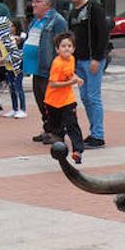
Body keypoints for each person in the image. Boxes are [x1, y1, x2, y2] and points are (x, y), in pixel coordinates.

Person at [66, 0, 111, 148]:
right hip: (78, 62)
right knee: (85, 97)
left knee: (93, 97)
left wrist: (97, 58)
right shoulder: (73, 12)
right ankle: (94, 132)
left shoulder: (94, 9)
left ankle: (98, 136)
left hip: (92, 61)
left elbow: (103, 33)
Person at [23, 0, 68, 145]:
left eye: (38, 1)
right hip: (36, 69)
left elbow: (63, 46)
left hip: (49, 70)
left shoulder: (57, 21)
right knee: (42, 102)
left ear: (48, 4)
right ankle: (48, 129)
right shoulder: (36, 20)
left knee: (52, 103)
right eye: (33, 1)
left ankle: (57, 133)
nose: (33, 4)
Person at [44, 31, 85, 163]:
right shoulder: (57, 63)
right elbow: (53, 84)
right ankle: (60, 151)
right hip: (53, 101)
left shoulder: (72, 59)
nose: (66, 48)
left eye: (69, 46)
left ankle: (77, 151)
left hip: (68, 100)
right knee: (56, 129)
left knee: (72, 124)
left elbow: (71, 73)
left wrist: (77, 78)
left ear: (73, 49)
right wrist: (71, 82)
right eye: (63, 46)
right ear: (57, 49)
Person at [0, 15, 27, 119]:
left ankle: (22, 109)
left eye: (12, 26)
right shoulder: (4, 39)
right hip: (9, 67)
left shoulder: (19, 39)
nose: (10, 28)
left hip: (18, 67)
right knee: (12, 88)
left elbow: (17, 54)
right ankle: (15, 108)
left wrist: (3, 60)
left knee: (18, 87)